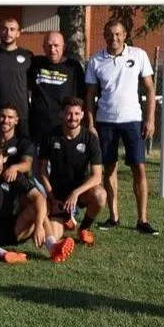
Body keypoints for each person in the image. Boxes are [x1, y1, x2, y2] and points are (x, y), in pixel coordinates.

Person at [85, 20, 159, 235]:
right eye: (109, 34)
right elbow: (89, 95)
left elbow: (150, 89)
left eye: (118, 34)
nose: (113, 38)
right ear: (104, 35)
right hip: (105, 121)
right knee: (109, 169)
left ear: (125, 34)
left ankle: (142, 220)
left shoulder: (139, 55)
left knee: (139, 168)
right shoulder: (96, 60)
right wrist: (90, 124)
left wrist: (150, 119)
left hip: (133, 121)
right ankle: (113, 216)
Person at [38, 97, 107, 250]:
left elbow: (97, 176)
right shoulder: (50, 136)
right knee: (52, 238)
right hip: (57, 197)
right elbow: (41, 169)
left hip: (80, 193)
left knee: (100, 195)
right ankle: (64, 224)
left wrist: (76, 193)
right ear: (61, 114)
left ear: (82, 115)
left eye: (76, 114)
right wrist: (51, 197)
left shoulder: (90, 138)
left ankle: (83, 229)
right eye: (69, 114)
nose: (73, 118)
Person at [28, 31, 86, 145]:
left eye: (56, 46)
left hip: (65, 128)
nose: (52, 49)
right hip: (38, 128)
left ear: (63, 47)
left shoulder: (73, 67)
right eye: (49, 46)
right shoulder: (35, 64)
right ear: (43, 47)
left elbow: (82, 98)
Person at [0, 103, 35, 183]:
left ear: (16, 120)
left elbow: (27, 164)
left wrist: (14, 167)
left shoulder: (24, 142)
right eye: (2, 116)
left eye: (10, 117)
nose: (5, 120)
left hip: (16, 184)